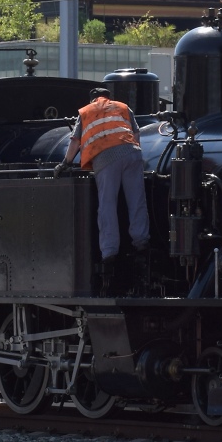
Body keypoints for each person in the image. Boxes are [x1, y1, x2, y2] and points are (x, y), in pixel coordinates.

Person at [56, 88, 150, 291]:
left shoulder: (86, 111)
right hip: (132, 153)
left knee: (107, 205)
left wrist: (65, 163)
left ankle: (109, 253)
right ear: (109, 97)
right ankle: (141, 243)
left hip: (106, 158)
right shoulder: (123, 107)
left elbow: (74, 142)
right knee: (137, 200)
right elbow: (135, 134)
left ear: (92, 99)